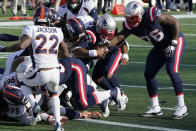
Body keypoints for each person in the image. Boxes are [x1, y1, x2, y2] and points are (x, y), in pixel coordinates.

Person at [108, 1, 187, 119]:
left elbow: (175, 22)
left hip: (174, 41)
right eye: (128, 18)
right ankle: (155, 106)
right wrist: (106, 45)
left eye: (133, 18)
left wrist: (174, 42)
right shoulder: (130, 25)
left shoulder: (152, 16)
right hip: (159, 47)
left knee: (171, 70)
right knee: (149, 73)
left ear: (140, 13)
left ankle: (182, 106)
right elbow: (119, 37)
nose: (131, 21)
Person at [0, 6, 69, 131]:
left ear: (35, 18)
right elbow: (65, 52)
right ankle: (58, 125)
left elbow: (22, 45)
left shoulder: (32, 28)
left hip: (40, 71)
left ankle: (33, 104)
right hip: (55, 71)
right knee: (54, 95)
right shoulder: (57, 31)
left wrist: (4, 49)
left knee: (20, 78)